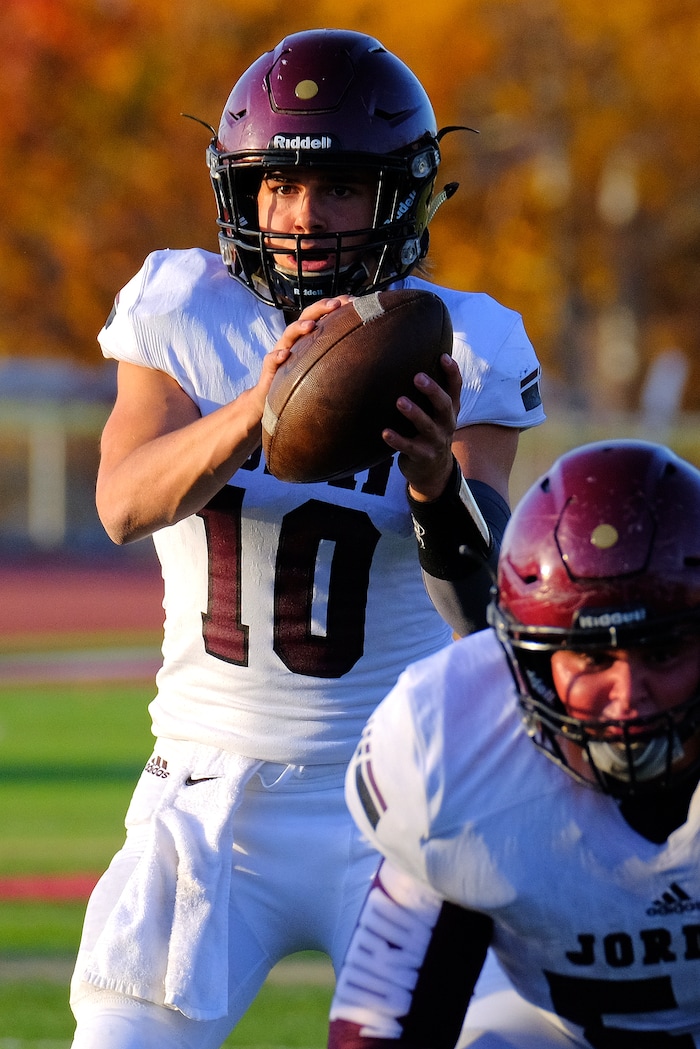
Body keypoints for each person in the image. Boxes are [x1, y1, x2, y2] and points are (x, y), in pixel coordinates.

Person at [69, 28, 544, 1049]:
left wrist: (430, 480)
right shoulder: (183, 307)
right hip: (208, 792)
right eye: (277, 187)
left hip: (398, 790)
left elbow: (486, 608)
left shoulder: (459, 340)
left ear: (395, 198)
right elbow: (121, 502)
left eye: (335, 187)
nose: (300, 217)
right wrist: (258, 406)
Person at [328, 437, 700, 1049]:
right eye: (590, 655)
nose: (628, 693)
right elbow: (380, 1026)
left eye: (660, 652)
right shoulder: (453, 751)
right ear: (530, 666)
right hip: (561, 1029)